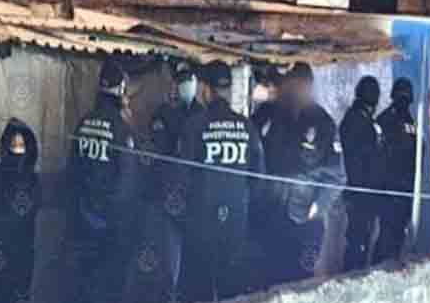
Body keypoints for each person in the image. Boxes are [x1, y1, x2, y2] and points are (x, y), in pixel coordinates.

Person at [177, 60, 265, 302]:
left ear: (205, 89)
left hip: (200, 226)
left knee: (198, 292)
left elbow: (181, 177)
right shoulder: (248, 128)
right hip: (236, 226)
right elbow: (258, 180)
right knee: (231, 292)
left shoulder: (194, 126)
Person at [252, 63, 345, 285]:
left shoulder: (322, 123)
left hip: (303, 221)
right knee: (262, 281)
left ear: (307, 86)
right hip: (268, 214)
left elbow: (337, 177)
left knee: (298, 283)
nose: (292, 91)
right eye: (289, 86)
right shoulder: (267, 114)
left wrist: (318, 207)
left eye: (297, 86)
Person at [123, 61, 204, 303]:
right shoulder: (164, 114)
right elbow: (159, 155)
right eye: (182, 81)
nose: (185, 86)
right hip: (166, 199)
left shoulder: (202, 113)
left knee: (193, 265)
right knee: (166, 263)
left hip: (196, 201)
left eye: (189, 80)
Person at [66, 57, 143, 303]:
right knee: (110, 288)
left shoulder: (83, 123)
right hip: (111, 226)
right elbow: (128, 183)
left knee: (82, 286)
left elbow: (72, 172)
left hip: (82, 220)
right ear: (121, 92)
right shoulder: (122, 129)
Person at [0, 118, 41, 303]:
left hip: (22, 249)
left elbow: (29, 212)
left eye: (22, 145)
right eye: (14, 145)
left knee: (19, 294)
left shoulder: (31, 178)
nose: (17, 149)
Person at [339, 76, 385, 271]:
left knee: (360, 239)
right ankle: (352, 276)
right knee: (358, 241)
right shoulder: (358, 121)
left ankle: (354, 274)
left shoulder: (358, 118)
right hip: (361, 191)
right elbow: (365, 158)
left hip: (361, 190)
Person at [375, 78, 416, 263]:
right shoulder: (385, 119)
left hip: (406, 186)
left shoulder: (409, 120)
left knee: (399, 231)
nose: (404, 101)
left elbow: (416, 149)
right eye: (402, 97)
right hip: (390, 186)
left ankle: (392, 264)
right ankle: (379, 267)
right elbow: (379, 153)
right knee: (387, 232)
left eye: (406, 97)